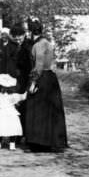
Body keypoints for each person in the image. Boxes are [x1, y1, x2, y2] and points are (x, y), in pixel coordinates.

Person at [24, 18, 68, 152]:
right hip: (50, 77)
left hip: (41, 77)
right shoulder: (48, 43)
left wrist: (33, 82)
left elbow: (39, 65)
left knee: (38, 110)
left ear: (32, 32)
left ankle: (39, 142)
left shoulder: (38, 45)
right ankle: (52, 140)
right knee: (51, 110)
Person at [0, 73, 27, 151]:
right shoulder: (13, 96)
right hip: (11, 113)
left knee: (0, 129)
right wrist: (27, 91)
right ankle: (12, 144)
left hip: (1, 113)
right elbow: (23, 97)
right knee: (12, 129)